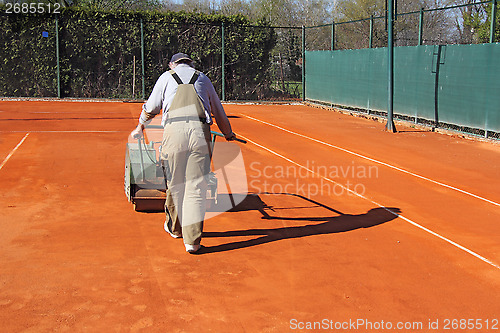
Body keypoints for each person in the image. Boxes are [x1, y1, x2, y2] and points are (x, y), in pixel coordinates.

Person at [131, 53, 236, 253]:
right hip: (199, 132)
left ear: (173, 64)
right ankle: (192, 242)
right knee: (196, 186)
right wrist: (228, 133)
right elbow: (218, 111)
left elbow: (151, 107)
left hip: (173, 132)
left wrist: (140, 127)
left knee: (174, 183)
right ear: (191, 64)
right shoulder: (203, 78)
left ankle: (175, 229)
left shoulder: (166, 77)